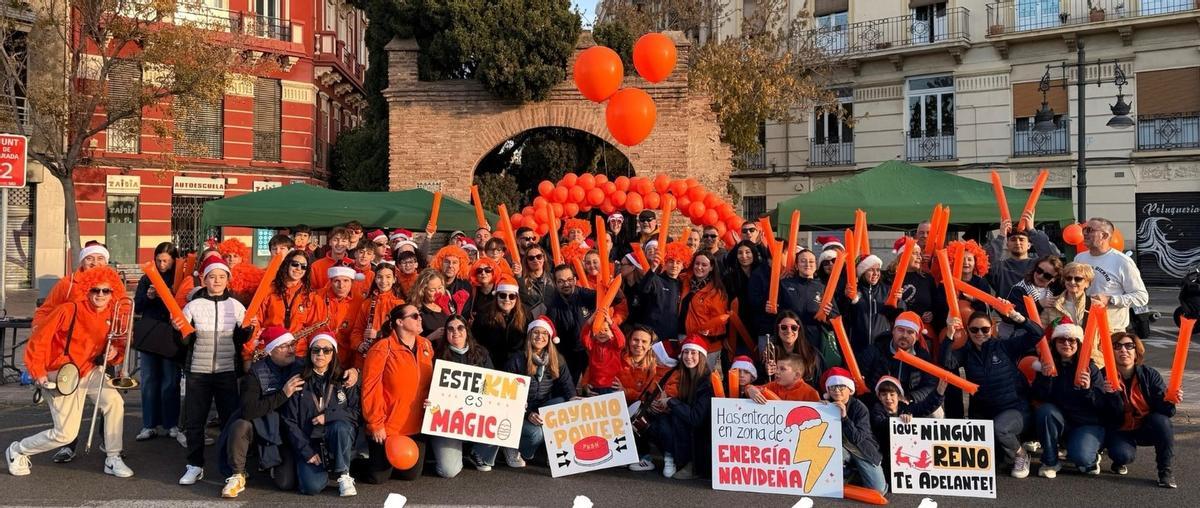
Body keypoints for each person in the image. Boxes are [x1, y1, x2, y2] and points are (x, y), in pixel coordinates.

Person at [9, 266, 133, 478]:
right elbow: (39, 341)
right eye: (96, 290)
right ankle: (18, 450)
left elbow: (118, 349)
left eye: (106, 291)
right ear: (87, 290)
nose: (101, 295)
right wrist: (38, 372)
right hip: (61, 373)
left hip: (90, 371)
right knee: (65, 434)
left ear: (113, 291)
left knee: (114, 401)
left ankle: (113, 457)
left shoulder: (113, 314)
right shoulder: (69, 310)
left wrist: (113, 354)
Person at [176, 256, 252, 486]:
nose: (217, 280)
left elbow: (241, 340)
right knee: (195, 421)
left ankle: (233, 467)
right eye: (212, 276)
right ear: (205, 279)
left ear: (228, 279)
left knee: (230, 421)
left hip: (227, 371)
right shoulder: (193, 305)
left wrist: (248, 330)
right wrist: (179, 331)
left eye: (221, 276)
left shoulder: (236, 306)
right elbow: (183, 343)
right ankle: (195, 465)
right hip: (198, 371)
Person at [942, 309, 1044, 478]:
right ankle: (1006, 451)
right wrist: (949, 335)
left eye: (985, 329)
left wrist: (1018, 318)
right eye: (974, 329)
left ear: (993, 328)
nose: (980, 333)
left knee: (1001, 428)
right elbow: (947, 362)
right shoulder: (966, 353)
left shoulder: (1005, 346)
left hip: (1014, 409)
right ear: (967, 330)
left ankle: (1021, 454)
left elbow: (1037, 334)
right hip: (985, 412)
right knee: (989, 464)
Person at [217, 327, 304, 498]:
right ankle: (237, 474)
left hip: (290, 431)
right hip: (261, 428)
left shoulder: (301, 366)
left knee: (286, 483)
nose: (291, 349)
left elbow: (330, 371)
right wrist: (283, 395)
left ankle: (271, 462)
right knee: (240, 425)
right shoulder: (256, 373)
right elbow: (248, 410)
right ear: (271, 351)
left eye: (292, 344)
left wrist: (353, 372)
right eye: (284, 346)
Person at [1031, 319, 1122, 479]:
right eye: (1062, 339)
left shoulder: (1090, 368)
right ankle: (1050, 461)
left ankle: (1091, 455)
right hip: (1061, 421)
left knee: (1082, 459)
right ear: (1054, 343)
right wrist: (1045, 379)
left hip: (1087, 423)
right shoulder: (1047, 366)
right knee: (1045, 411)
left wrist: (1088, 390)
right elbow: (1038, 397)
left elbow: (1102, 404)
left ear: (1078, 343)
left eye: (1071, 340)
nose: (1067, 343)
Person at [360, 304, 435, 483]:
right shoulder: (382, 348)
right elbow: (370, 388)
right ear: (400, 322)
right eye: (415, 316)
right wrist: (375, 424)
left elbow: (433, 382)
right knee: (378, 477)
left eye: (420, 315)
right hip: (388, 427)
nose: (420, 319)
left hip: (415, 426)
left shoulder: (426, 345)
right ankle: (353, 463)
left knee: (410, 475)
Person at [283, 333, 360, 496]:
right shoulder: (298, 381)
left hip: (336, 438)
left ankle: (343, 474)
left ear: (334, 354)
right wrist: (306, 451)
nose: (320, 354)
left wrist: (329, 417)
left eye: (326, 350)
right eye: (316, 350)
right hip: (309, 441)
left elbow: (355, 413)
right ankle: (319, 470)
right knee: (311, 487)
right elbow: (289, 421)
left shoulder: (344, 379)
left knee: (341, 426)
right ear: (310, 353)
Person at [427, 315, 497, 476]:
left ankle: (476, 451)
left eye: (460, 328)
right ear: (445, 334)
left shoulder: (481, 353)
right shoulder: (437, 356)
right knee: (448, 471)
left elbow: (494, 386)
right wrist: (429, 400)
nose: (455, 332)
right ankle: (456, 451)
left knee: (503, 418)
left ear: (467, 331)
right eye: (450, 329)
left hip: (476, 415)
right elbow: (428, 387)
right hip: (447, 421)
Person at [1104, 333, 1177, 488]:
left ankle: (1165, 472)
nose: (1123, 350)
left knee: (1162, 421)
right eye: (1117, 346)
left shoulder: (1149, 375)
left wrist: (1170, 400)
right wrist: (1110, 396)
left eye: (1129, 346)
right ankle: (1118, 459)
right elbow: (1104, 414)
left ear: (1136, 352)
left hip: (1144, 427)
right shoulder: (1103, 375)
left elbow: (1166, 412)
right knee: (1123, 455)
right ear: (1110, 352)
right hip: (1119, 429)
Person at [502, 316, 575, 468]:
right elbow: (506, 396)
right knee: (537, 434)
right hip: (519, 410)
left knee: (562, 402)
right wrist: (527, 413)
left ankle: (556, 452)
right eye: (535, 332)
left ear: (549, 338)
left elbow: (568, 387)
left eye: (544, 333)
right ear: (529, 336)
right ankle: (513, 446)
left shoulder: (557, 359)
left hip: (541, 407)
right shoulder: (517, 359)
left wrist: (576, 401)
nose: (539, 337)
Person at [646, 337, 719, 480]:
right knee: (655, 423)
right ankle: (673, 457)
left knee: (671, 420)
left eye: (693, 353)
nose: (688, 357)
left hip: (702, 437)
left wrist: (671, 402)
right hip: (688, 429)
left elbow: (696, 418)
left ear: (701, 356)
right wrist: (662, 405)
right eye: (686, 352)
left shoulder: (706, 381)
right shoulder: (684, 376)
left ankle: (691, 465)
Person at [133, 242, 183, 443]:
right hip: (150, 333)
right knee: (148, 381)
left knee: (170, 381)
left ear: (173, 261)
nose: (162, 264)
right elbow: (138, 305)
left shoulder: (179, 278)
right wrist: (148, 296)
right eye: (159, 260)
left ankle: (171, 423)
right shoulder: (147, 278)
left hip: (170, 334)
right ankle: (149, 424)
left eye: (166, 261)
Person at [1075, 217, 1149, 334]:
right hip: (1083, 327)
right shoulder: (1080, 258)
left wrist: (1110, 299)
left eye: (1090, 230)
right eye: (1084, 229)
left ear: (1104, 236)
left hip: (1111, 330)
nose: (1084, 233)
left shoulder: (1122, 261)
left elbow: (1141, 297)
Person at [823, 367, 887, 495]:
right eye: (833, 387)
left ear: (849, 390)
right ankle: (846, 472)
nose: (837, 390)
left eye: (841, 387)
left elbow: (857, 438)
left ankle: (854, 472)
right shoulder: (825, 405)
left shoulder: (860, 408)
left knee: (878, 490)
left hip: (861, 449)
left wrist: (845, 417)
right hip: (839, 449)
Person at [858, 311, 939, 412]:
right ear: (893, 331)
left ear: (917, 337)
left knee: (937, 413)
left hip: (909, 403)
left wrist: (911, 397)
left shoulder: (922, 356)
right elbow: (860, 374)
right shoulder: (875, 350)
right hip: (878, 401)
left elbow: (930, 385)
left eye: (910, 332)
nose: (904, 335)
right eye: (900, 330)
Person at [869, 375, 945, 478]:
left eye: (892, 394)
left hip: (907, 452)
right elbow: (880, 424)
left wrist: (939, 392)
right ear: (879, 396)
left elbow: (925, 407)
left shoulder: (906, 408)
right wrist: (899, 420)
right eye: (884, 395)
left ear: (899, 396)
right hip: (885, 454)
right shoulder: (876, 410)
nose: (888, 398)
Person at [258, 250, 326, 358]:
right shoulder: (268, 290)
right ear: (286, 264)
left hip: (298, 355)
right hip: (270, 352)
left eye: (303, 266)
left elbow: (315, 329)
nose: (299, 268)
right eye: (295, 264)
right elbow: (256, 323)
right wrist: (247, 355)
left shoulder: (311, 296)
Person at [984, 213, 1062, 298]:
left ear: (1029, 245)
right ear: (1007, 245)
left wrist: (1032, 230)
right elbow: (985, 261)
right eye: (1013, 240)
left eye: (1021, 239)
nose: (1017, 243)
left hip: (1037, 308)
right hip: (1007, 309)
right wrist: (1001, 236)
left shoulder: (1038, 265)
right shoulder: (1000, 267)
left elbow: (1054, 258)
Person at [545, 263, 598, 383]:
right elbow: (551, 334)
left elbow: (612, 299)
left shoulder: (584, 294)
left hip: (589, 350)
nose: (566, 284)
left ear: (575, 280)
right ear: (555, 283)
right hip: (566, 354)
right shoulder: (552, 305)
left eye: (569, 280)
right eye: (561, 281)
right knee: (568, 387)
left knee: (592, 387)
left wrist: (607, 286)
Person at [843, 253, 903, 352]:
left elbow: (897, 316)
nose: (876, 273)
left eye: (878, 270)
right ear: (862, 272)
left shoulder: (887, 290)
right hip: (858, 347)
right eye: (871, 269)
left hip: (882, 346)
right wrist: (847, 299)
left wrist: (899, 301)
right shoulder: (854, 290)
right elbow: (845, 315)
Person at [350, 263, 406, 369]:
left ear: (394, 279)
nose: (383, 281)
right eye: (380, 277)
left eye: (388, 277)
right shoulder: (367, 303)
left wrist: (379, 334)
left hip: (389, 358)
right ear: (375, 279)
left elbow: (403, 333)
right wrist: (359, 345)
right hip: (365, 359)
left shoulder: (400, 304)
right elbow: (357, 330)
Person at [631, 241, 688, 343]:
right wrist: (652, 268)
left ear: (683, 265)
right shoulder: (655, 279)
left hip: (671, 337)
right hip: (651, 336)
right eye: (671, 261)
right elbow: (642, 290)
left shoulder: (682, 285)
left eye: (678, 262)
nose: (674, 265)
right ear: (665, 262)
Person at [680, 251, 729, 368]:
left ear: (711, 267)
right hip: (685, 339)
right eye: (697, 264)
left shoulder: (716, 292)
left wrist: (710, 331)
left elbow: (721, 321)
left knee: (702, 379)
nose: (699, 267)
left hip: (707, 344)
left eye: (704, 265)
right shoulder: (685, 281)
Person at [472, 275, 528, 369]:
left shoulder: (526, 314)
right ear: (496, 296)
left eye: (512, 296)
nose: (507, 299)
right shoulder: (484, 314)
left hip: (516, 366)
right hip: (489, 365)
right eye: (502, 295)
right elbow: (475, 341)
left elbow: (528, 342)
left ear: (516, 299)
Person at [999, 255, 1062, 338]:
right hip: (1021, 336)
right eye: (1039, 271)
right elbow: (1014, 316)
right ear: (1035, 268)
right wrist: (1039, 304)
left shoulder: (1055, 290)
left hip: (1047, 336)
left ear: (1054, 278)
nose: (1040, 276)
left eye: (1047, 276)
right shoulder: (1019, 289)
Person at [762, 311, 824, 389]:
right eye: (783, 327)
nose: (789, 331)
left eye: (794, 328)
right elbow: (762, 384)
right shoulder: (770, 354)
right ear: (778, 330)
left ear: (799, 330)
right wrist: (765, 372)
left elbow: (821, 382)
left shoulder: (812, 354)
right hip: (779, 399)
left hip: (807, 399)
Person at [320, 264, 364, 367]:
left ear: (352, 282)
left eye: (346, 281)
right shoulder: (317, 297)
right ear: (330, 282)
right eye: (337, 281)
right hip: (321, 355)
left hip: (347, 359)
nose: (341, 285)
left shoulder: (360, 302)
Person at [579, 313, 625, 395]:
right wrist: (589, 321)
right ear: (594, 333)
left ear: (612, 332)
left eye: (606, 330)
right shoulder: (592, 345)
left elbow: (621, 341)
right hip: (594, 386)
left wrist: (611, 323)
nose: (602, 333)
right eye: (598, 330)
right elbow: (583, 338)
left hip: (612, 385)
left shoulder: (615, 345)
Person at [746, 355, 820, 403]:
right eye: (777, 368)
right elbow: (753, 389)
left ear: (797, 375)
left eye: (782, 369)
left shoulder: (810, 393)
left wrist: (823, 404)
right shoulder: (773, 386)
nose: (777, 372)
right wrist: (750, 389)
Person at [432, 245, 473, 316]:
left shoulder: (465, 285)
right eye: (447, 262)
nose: (450, 266)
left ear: (460, 265)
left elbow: (465, 312)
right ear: (440, 263)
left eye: (454, 262)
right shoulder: (431, 282)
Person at [409, 268, 450, 337]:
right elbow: (412, 341)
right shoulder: (416, 311)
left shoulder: (448, 302)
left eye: (440, 288)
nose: (438, 293)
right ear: (422, 290)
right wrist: (431, 337)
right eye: (432, 290)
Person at [518, 244, 553, 314]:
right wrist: (518, 277)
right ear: (526, 261)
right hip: (532, 321)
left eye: (539, 256)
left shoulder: (554, 278)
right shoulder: (522, 282)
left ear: (543, 258)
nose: (535, 260)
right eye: (531, 258)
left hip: (553, 320)